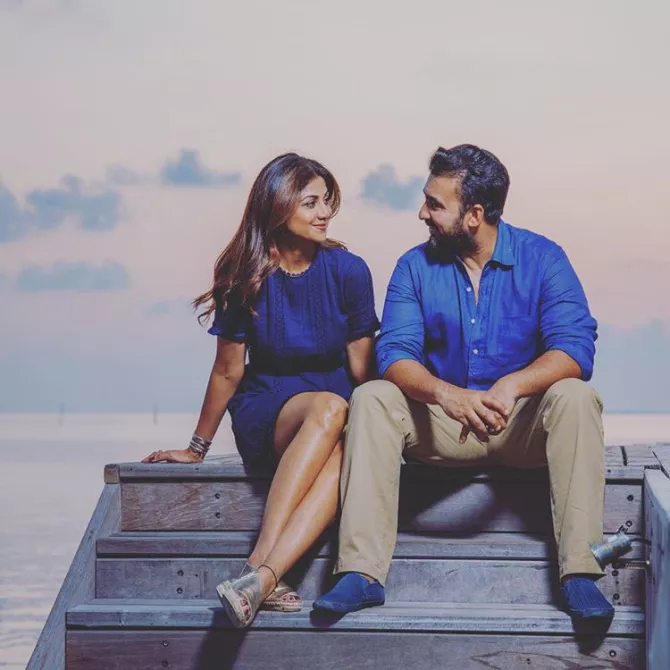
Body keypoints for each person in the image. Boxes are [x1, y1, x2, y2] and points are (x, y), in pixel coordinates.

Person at [314, 143, 614, 621]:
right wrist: (446, 395)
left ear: (474, 215)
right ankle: (361, 573)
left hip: (519, 426)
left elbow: (576, 348)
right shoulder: (413, 266)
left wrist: (511, 386)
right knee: (372, 396)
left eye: (435, 205)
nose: (422, 213)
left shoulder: (544, 258)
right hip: (442, 425)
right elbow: (393, 354)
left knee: (576, 396)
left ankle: (580, 571)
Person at [142, 153, 379, 628]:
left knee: (344, 447)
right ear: (278, 205)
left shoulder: (349, 270)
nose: (324, 213)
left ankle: (261, 578)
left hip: (334, 409)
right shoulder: (243, 274)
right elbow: (227, 371)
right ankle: (260, 559)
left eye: (326, 201)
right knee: (331, 409)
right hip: (270, 407)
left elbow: (363, 368)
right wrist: (196, 448)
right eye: (310, 202)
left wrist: (391, 430)